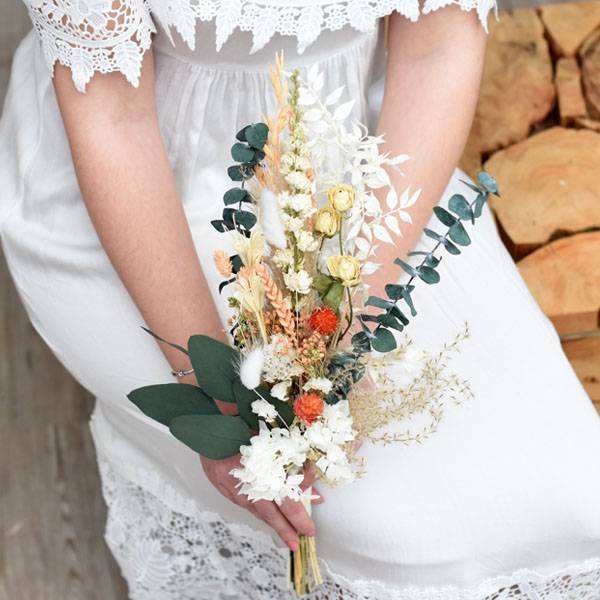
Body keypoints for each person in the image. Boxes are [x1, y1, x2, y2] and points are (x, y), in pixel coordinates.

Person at [2, 1, 600, 598]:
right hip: (147, 184)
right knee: (386, 526)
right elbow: (111, 116)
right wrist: (221, 401)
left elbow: (437, 44)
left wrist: (345, 319)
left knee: (565, 491)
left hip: (367, 164)